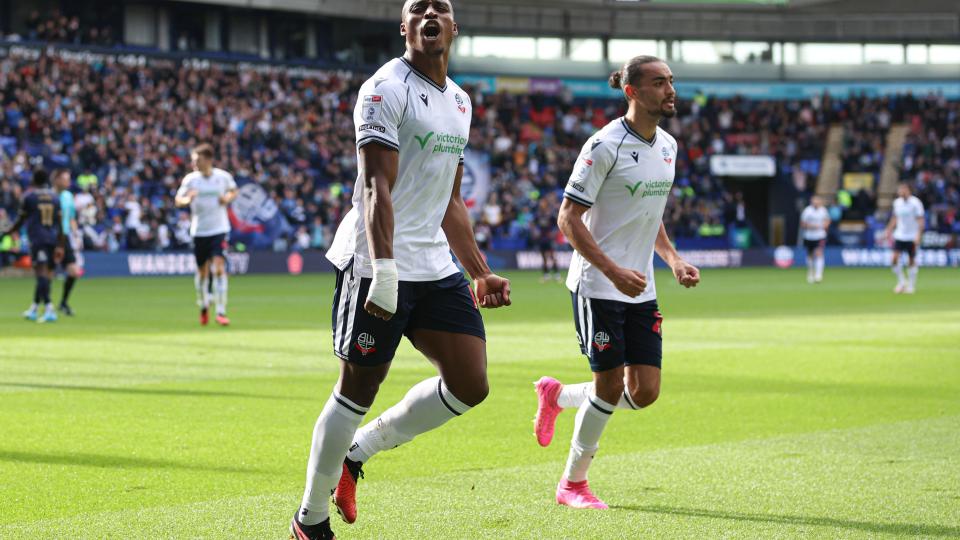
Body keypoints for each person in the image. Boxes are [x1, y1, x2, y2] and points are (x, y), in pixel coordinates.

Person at [291, 2, 512, 539]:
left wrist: (478, 270)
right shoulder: (383, 88)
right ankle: (310, 519)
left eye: (441, 7)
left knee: (469, 383)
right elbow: (374, 187)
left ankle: (356, 454)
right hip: (376, 259)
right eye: (418, 8)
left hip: (433, 263)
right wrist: (384, 272)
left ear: (454, 29)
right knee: (356, 389)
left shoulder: (459, 101)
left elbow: (451, 199)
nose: (430, 13)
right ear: (405, 26)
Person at [532, 56, 700, 510]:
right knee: (608, 387)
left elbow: (652, 211)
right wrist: (612, 270)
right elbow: (568, 219)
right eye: (659, 82)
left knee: (644, 392)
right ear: (632, 91)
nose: (670, 90)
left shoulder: (668, 145)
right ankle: (573, 484)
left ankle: (559, 395)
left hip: (639, 286)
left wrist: (673, 259)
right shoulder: (603, 146)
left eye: (671, 81)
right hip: (598, 285)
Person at [175, 143, 238, 325]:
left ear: (208, 160)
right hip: (199, 231)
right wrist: (188, 199)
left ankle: (220, 310)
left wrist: (227, 198)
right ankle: (203, 304)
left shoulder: (222, 177)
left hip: (219, 230)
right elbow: (178, 200)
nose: (194, 163)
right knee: (202, 273)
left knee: (218, 269)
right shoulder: (190, 180)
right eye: (193, 160)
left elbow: (233, 191)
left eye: (197, 160)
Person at [1, 169, 65, 323]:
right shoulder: (55, 198)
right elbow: (60, 224)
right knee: (46, 274)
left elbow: (20, 220)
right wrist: (61, 245)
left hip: (38, 239)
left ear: (34, 181)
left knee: (41, 273)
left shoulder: (29, 197)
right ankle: (35, 308)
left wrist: (7, 231)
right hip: (52, 238)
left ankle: (49, 307)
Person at [885, 182, 924, 294]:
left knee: (911, 260)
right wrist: (888, 230)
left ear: (908, 190)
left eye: (902, 189)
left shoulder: (915, 203)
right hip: (900, 235)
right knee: (894, 258)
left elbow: (920, 220)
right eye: (899, 190)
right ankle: (902, 282)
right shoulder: (897, 203)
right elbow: (895, 217)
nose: (900, 192)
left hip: (912, 236)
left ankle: (911, 286)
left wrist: (918, 235)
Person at [53, 169, 82, 314]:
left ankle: (63, 302)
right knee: (46, 273)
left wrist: (76, 234)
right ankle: (40, 304)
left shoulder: (69, 196)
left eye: (69, 179)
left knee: (74, 271)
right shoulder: (50, 195)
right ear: (57, 179)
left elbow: (71, 217)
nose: (68, 182)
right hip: (51, 237)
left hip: (64, 237)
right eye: (65, 179)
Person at [800, 195, 830, 284]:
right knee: (810, 255)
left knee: (819, 253)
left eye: (817, 200)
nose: (816, 202)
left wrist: (825, 226)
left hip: (820, 236)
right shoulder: (807, 211)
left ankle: (818, 275)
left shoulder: (823, 210)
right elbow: (803, 224)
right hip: (809, 236)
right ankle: (810, 273)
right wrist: (812, 226)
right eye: (814, 200)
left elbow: (827, 220)